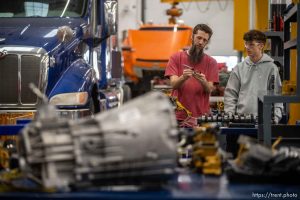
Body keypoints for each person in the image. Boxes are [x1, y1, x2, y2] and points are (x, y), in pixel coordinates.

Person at [224, 29, 283, 155]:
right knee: (235, 159)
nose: (247, 48)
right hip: (240, 124)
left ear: (261, 46)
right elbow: (230, 94)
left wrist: (276, 119)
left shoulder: (271, 68)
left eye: (251, 44)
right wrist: (229, 116)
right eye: (246, 44)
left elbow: (277, 95)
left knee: (261, 164)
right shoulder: (239, 68)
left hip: (263, 125)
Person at [165, 24, 219, 126]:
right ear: (192, 37)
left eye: (205, 40)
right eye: (199, 38)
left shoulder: (211, 62)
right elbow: (173, 84)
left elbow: (210, 89)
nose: (201, 42)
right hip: (178, 116)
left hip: (201, 117)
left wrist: (203, 81)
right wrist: (183, 77)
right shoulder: (176, 58)